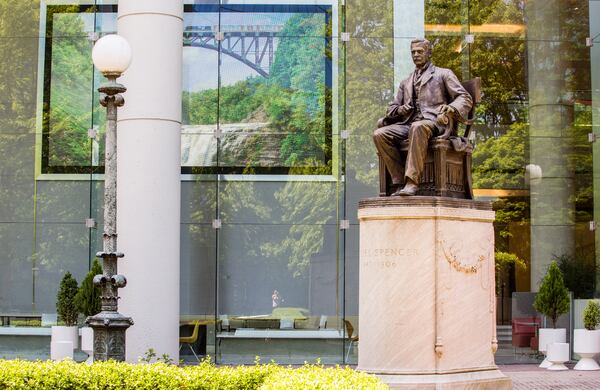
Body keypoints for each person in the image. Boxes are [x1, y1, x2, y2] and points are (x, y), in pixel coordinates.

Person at [373, 39, 473, 196]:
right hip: (409, 124)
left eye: (420, 51)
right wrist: (400, 110)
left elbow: (465, 98)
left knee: (418, 126)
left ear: (429, 53)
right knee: (380, 134)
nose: (416, 54)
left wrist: (451, 108)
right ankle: (399, 181)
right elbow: (391, 109)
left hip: (436, 123)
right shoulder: (406, 82)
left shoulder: (443, 74)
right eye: (413, 52)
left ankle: (412, 182)